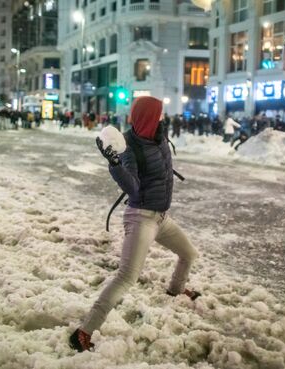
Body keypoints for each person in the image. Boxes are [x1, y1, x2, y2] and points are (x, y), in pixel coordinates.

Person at [69, 96, 199, 352]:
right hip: (141, 218)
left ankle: (175, 289)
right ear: (147, 117)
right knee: (126, 277)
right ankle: (83, 332)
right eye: (158, 114)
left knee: (189, 254)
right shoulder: (130, 146)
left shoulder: (159, 137)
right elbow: (133, 188)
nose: (162, 118)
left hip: (161, 217)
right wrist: (115, 164)